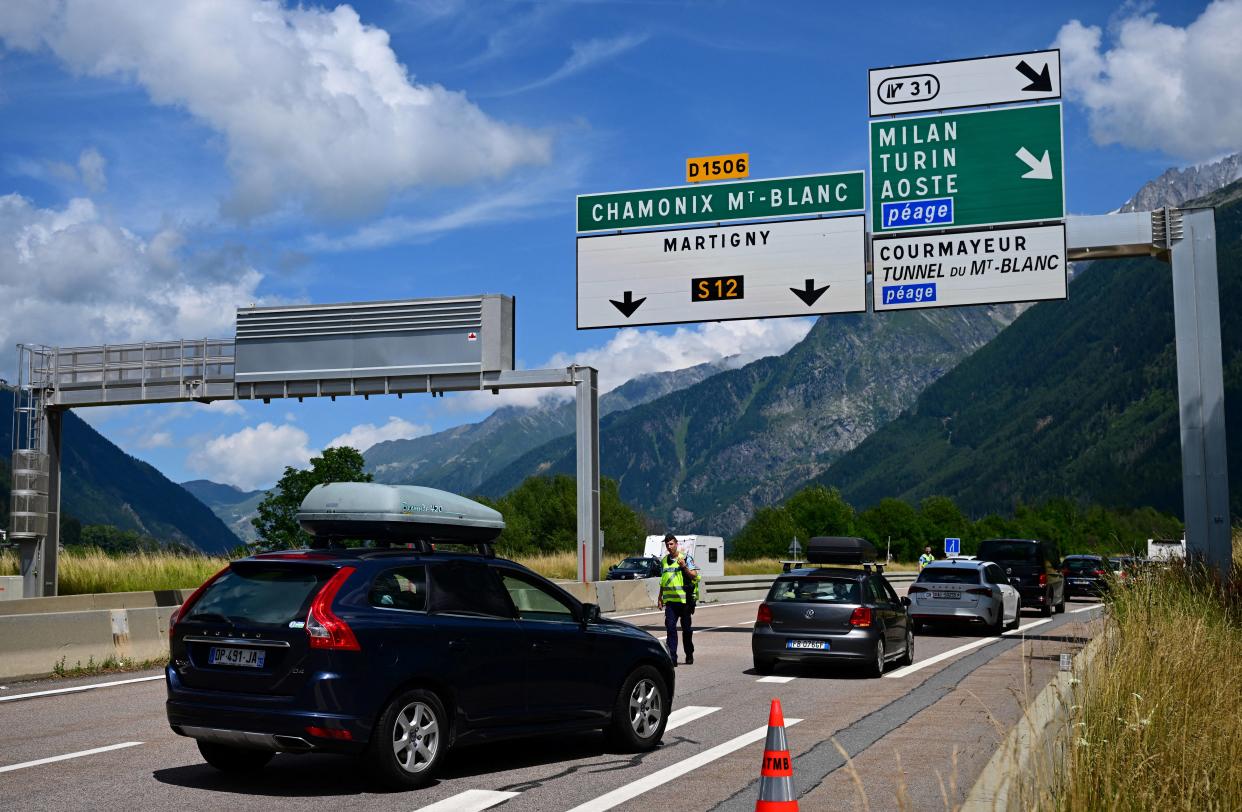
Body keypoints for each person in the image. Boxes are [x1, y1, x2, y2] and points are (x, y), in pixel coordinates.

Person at [657, 533, 699, 666]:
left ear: (676, 544)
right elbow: (663, 581)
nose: (669, 547)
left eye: (671, 544)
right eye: (667, 544)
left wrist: (684, 567)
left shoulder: (686, 558)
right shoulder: (664, 561)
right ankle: (672, 657)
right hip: (670, 603)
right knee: (670, 629)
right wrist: (660, 597)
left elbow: (694, 576)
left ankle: (689, 653)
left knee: (686, 630)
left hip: (685, 601)